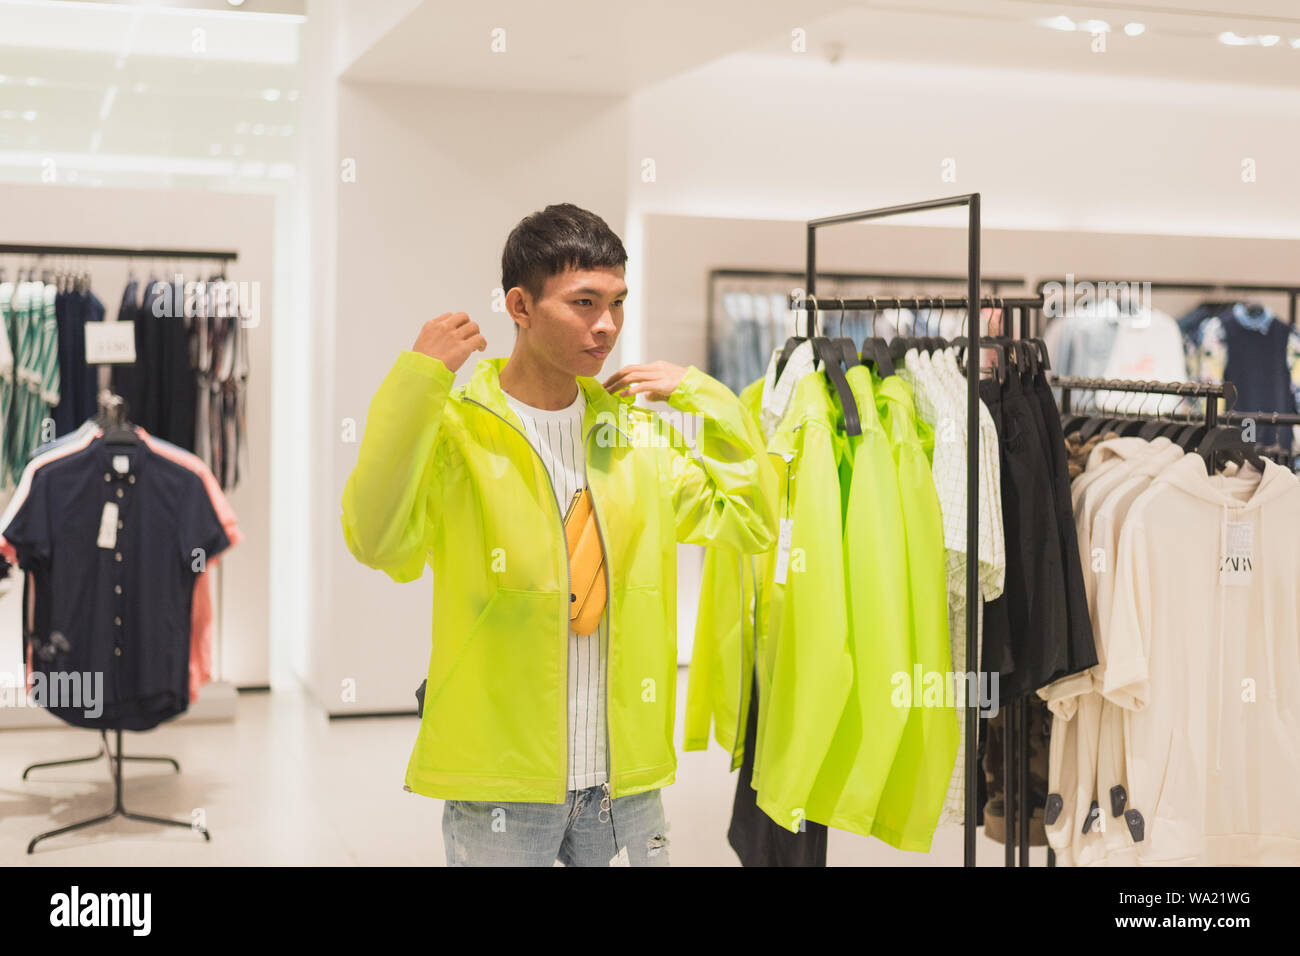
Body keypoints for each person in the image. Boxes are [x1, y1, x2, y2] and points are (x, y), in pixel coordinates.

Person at [340, 203, 778, 866]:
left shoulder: (632, 439)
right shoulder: (460, 434)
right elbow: (376, 540)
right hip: (501, 787)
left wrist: (705, 396)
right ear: (520, 305)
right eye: (583, 302)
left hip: (624, 786)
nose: (606, 327)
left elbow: (751, 519)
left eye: (617, 303)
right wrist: (417, 382)